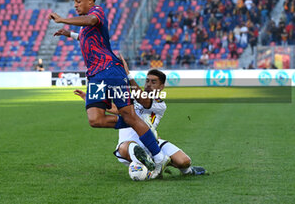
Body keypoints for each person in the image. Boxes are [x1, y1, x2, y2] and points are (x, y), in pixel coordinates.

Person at [49, 0, 170, 178]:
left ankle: (158, 158)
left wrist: (63, 20)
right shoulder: (87, 26)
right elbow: (86, 37)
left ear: (90, 1)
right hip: (96, 75)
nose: (76, 5)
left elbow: (90, 21)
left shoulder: (97, 12)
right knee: (95, 120)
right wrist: (69, 34)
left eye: (79, 1)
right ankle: (138, 124)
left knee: (129, 115)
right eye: (74, 2)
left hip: (111, 72)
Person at [74, 58, 207, 178]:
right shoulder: (131, 98)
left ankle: (187, 171)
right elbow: (115, 109)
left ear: (161, 87)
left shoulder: (159, 104)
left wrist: (128, 74)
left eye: (153, 82)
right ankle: (154, 162)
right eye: (147, 81)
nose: (148, 84)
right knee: (126, 147)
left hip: (152, 143)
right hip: (128, 144)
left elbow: (142, 99)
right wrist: (89, 99)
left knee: (184, 162)